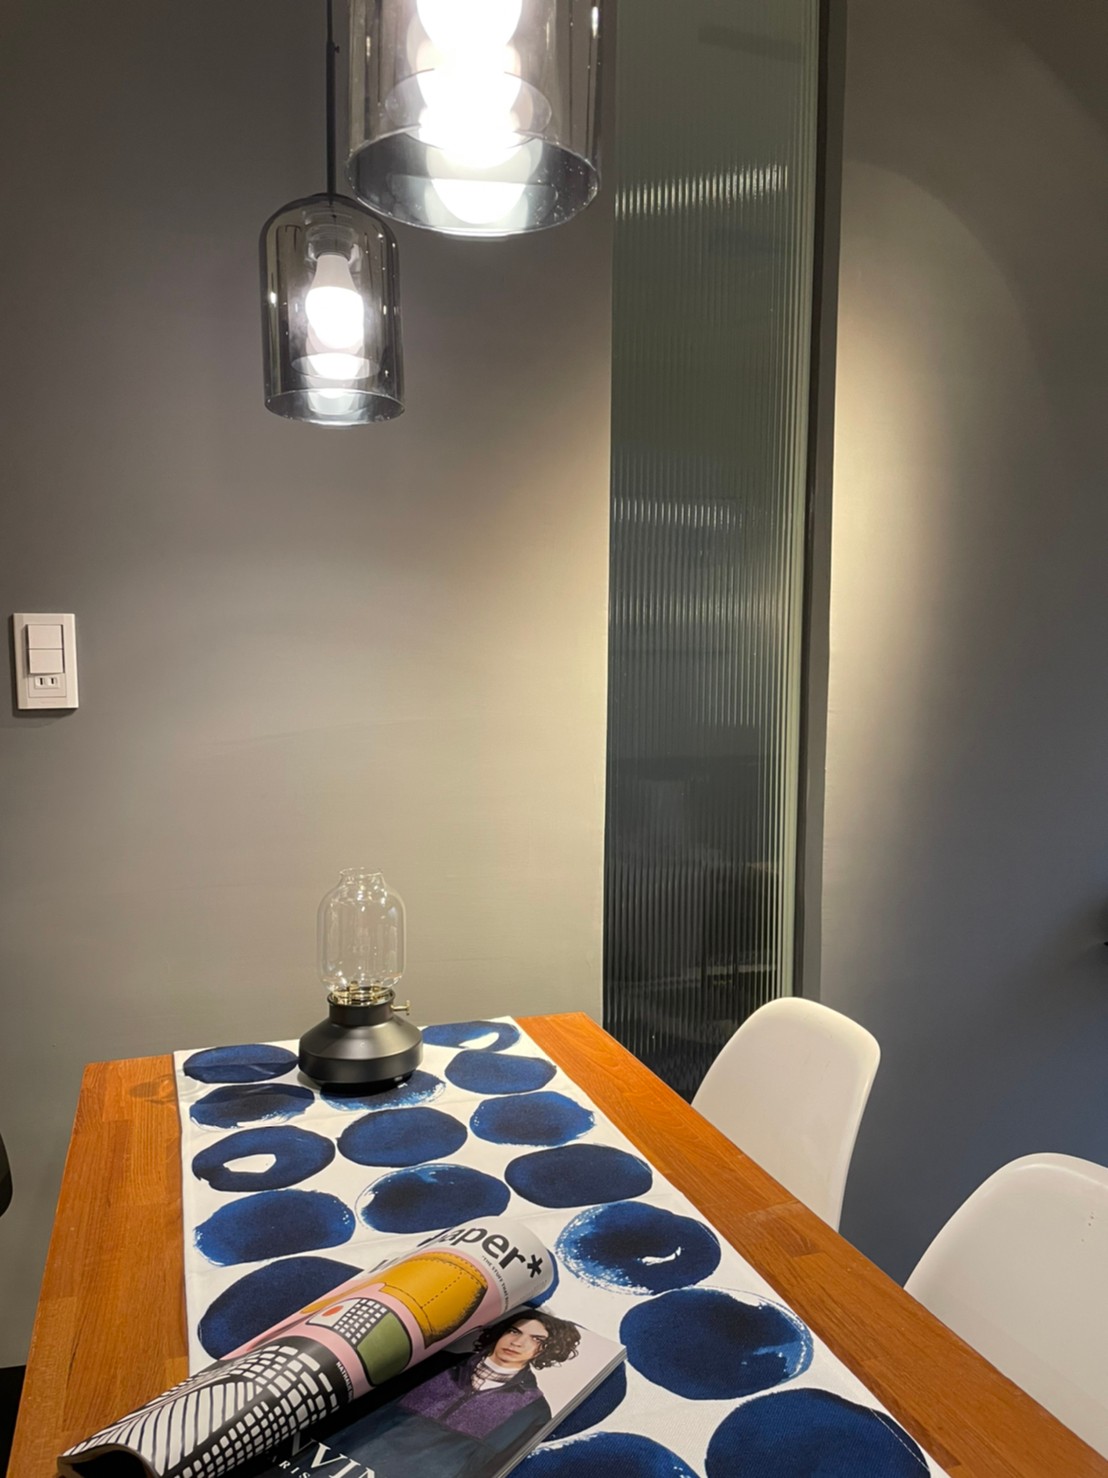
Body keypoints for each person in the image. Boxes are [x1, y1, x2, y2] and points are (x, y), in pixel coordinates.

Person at [336, 1308, 581, 1478]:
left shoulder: (533, 1409)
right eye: (514, 1331)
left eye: (536, 1340)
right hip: (346, 1461)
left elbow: (488, 1468)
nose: (517, 1343)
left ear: (546, 1350)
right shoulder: (437, 1362)